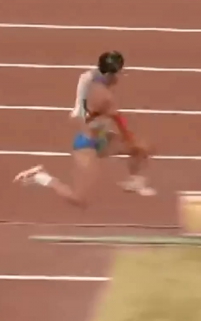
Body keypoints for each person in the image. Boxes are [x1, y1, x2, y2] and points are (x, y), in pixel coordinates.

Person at [13, 51, 156, 207]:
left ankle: (133, 181)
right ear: (109, 74)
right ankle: (40, 177)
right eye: (118, 73)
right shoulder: (104, 97)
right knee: (78, 199)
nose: (119, 77)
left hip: (101, 138)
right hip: (87, 145)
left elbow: (86, 80)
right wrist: (130, 140)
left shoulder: (92, 79)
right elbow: (120, 122)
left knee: (143, 148)